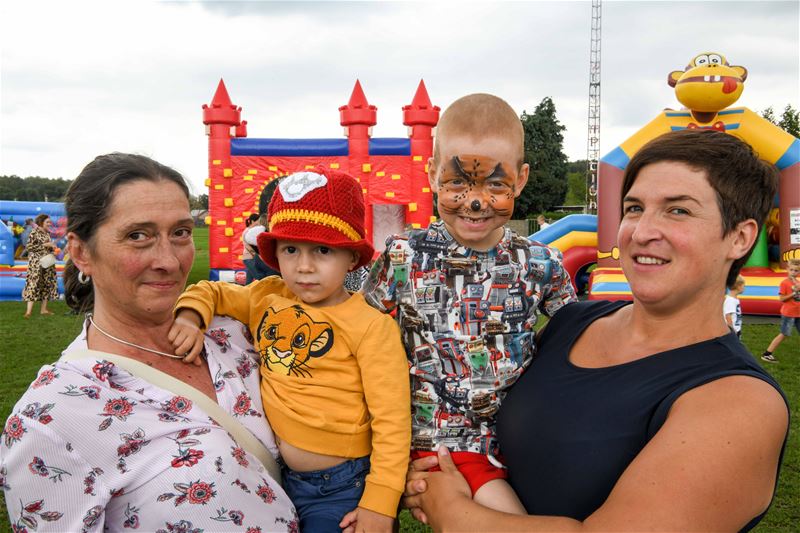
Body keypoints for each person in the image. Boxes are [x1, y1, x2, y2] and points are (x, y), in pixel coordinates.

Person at [403, 129, 789, 532]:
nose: (641, 232)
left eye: (678, 211)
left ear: (740, 237)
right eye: (635, 208)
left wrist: (450, 510)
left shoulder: (740, 402)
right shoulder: (572, 322)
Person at [1, 153, 297, 531]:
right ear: (80, 253)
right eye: (138, 236)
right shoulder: (52, 419)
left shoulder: (240, 333)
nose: (169, 261)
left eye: (180, 232)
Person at [362, 93, 576, 515]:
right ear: (432, 175)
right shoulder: (403, 256)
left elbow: (577, 332)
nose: (475, 201)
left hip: (519, 437)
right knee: (507, 522)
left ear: (520, 180)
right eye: (458, 182)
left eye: (495, 185)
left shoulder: (540, 263)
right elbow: (359, 326)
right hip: (435, 441)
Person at [170, 167, 411, 533]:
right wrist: (189, 317)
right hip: (276, 475)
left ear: (351, 258)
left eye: (323, 250)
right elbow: (212, 290)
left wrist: (380, 502)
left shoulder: (370, 326)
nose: (304, 266)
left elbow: (393, 421)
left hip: (343, 486)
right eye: (291, 249)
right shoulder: (267, 295)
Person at [761, 258, 800, 362]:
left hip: (798, 313)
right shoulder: (784, 283)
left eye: (796, 270)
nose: (793, 272)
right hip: (789, 313)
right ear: (787, 269)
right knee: (784, 334)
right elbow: (782, 299)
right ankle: (767, 354)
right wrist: (794, 293)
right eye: (791, 270)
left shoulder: (798, 282)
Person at [22, 213, 58, 318]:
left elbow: (48, 247)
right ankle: (28, 311)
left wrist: (53, 248)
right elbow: (29, 247)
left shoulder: (47, 234)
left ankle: (44, 309)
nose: (49, 224)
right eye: (47, 222)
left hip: (47, 262)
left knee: (47, 284)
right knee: (33, 284)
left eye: (50, 222)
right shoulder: (34, 232)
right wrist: (45, 245)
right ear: (41, 222)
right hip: (36, 263)